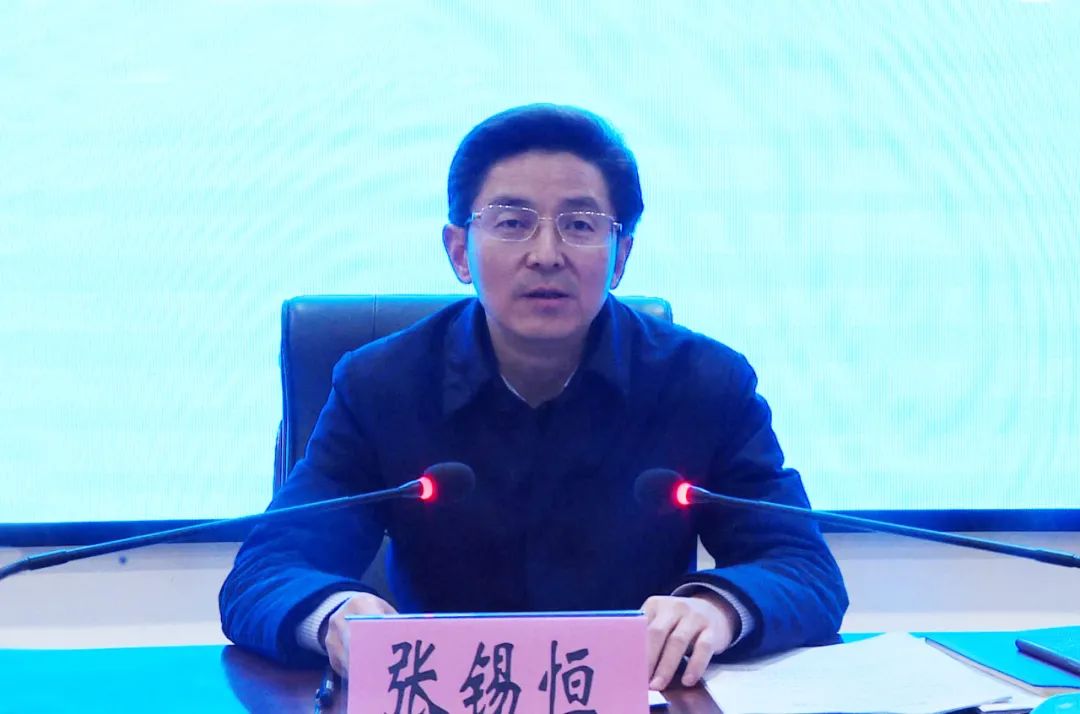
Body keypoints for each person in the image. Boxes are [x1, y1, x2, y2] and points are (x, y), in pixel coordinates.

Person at [219, 104, 848, 691]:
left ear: (620, 256)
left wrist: (717, 609)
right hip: (443, 696)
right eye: (513, 223)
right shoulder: (380, 385)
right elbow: (266, 573)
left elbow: (802, 568)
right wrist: (333, 616)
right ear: (460, 251)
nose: (546, 255)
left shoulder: (704, 382)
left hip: (633, 696)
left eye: (580, 225)